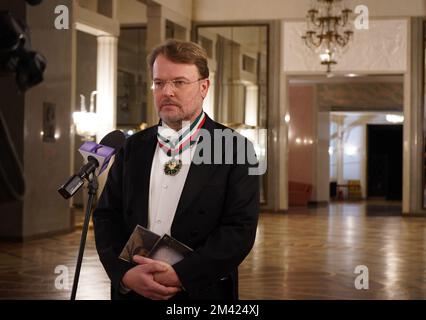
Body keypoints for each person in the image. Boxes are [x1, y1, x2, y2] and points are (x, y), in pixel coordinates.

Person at [93, 39, 260, 300]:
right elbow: (106, 217)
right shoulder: (133, 147)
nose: (167, 91)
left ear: (204, 87)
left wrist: (182, 275)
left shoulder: (235, 148)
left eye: (179, 82)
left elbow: (239, 230)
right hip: (133, 288)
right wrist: (123, 274)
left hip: (200, 290)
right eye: (159, 83)